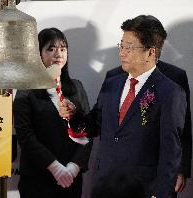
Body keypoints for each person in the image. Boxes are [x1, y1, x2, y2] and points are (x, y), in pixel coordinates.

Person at [59, 15, 187, 198]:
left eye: (129, 47)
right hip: (104, 187)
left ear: (151, 52)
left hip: (142, 189)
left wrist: (160, 194)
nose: (122, 52)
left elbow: (171, 153)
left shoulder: (170, 92)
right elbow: (94, 124)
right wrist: (73, 115)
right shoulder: (112, 82)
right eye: (122, 45)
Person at [13, 27, 92, 198]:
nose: (58, 54)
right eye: (51, 49)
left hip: (71, 178)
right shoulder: (26, 90)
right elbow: (25, 136)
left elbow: (87, 130)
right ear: (38, 54)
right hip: (37, 179)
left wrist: (74, 166)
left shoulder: (76, 87)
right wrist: (55, 167)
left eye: (62, 49)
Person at [105, 60, 192, 196]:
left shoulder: (175, 75)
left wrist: (181, 169)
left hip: (158, 172)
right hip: (116, 175)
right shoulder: (114, 75)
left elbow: (184, 126)